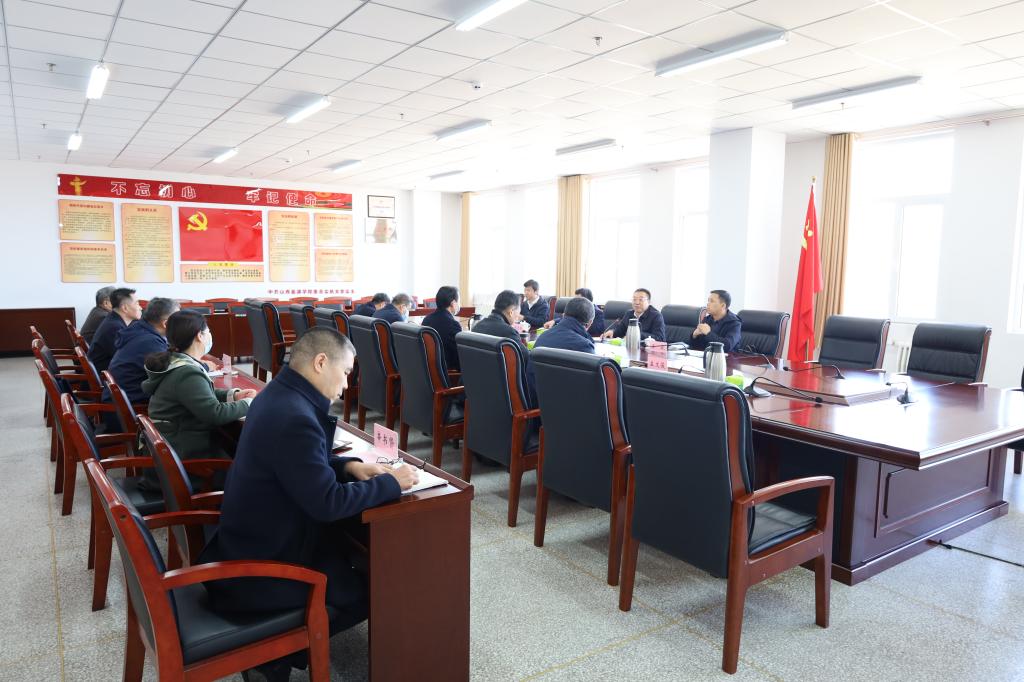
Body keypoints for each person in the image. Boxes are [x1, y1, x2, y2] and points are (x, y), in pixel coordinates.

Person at [199, 328, 417, 680]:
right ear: (320, 362)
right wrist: (391, 483)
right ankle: (272, 656)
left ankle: (277, 653)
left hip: (248, 540)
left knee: (348, 557)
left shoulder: (277, 394)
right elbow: (327, 503)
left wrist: (349, 467)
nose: (346, 385)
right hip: (263, 566)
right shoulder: (295, 417)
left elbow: (298, 463)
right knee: (369, 592)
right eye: (345, 372)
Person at [142, 310, 255, 463]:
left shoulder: (176, 361)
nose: (210, 336)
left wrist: (233, 395)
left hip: (171, 444)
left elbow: (200, 394)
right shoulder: (187, 372)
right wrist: (249, 403)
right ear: (199, 336)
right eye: (208, 332)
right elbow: (215, 414)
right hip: (183, 452)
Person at [105, 297, 179, 404]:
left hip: (122, 398)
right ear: (166, 324)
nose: (182, 324)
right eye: (179, 320)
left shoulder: (139, 328)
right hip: (131, 404)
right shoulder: (151, 342)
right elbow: (173, 375)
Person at [87, 287, 142, 373]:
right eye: (137, 304)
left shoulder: (113, 320)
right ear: (125, 308)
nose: (140, 308)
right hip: (106, 376)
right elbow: (127, 359)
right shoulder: (115, 328)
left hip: (107, 371)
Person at [601, 288, 666, 343]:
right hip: (630, 349)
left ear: (649, 302)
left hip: (647, 351)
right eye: (634, 299)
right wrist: (612, 332)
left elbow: (660, 338)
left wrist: (636, 335)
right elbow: (620, 331)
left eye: (641, 300)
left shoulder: (656, 316)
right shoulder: (629, 314)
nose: (637, 303)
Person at [421, 285, 462, 371]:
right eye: (459, 302)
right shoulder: (453, 325)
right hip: (448, 373)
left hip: (428, 371)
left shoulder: (427, 319)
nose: (459, 305)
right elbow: (459, 358)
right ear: (453, 303)